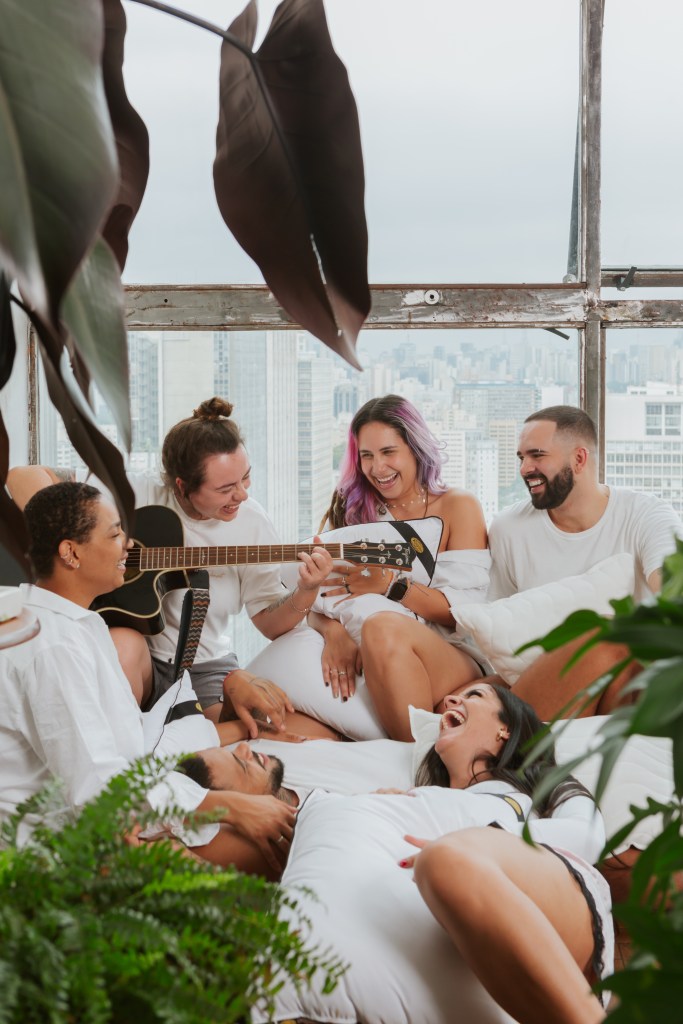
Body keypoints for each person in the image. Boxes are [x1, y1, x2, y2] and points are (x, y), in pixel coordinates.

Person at [0, 481, 295, 870]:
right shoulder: (52, 648)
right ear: (71, 553)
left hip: (107, 816)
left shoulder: (79, 626)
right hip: (44, 848)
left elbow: (122, 749)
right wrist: (232, 807)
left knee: (284, 814)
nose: (127, 544)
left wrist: (233, 746)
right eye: (115, 532)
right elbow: (97, 786)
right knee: (271, 842)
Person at [7, 397, 336, 738]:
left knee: (294, 734)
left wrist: (306, 591)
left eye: (245, 479)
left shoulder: (251, 522)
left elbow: (270, 624)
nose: (241, 495)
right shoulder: (135, 492)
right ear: (182, 486)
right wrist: (82, 539)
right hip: (139, 655)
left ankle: (170, 738)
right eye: (226, 488)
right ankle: (128, 755)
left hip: (204, 667)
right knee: (122, 648)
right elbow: (22, 477)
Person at [398, 685, 609, 1024]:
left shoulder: (540, 787)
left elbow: (586, 837)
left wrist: (483, 838)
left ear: (505, 729)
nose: (451, 701)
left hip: (555, 898)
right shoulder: (419, 800)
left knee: (446, 862)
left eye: (475, 695)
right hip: (459, 922)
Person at [312, 393, 491, 739]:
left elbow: (461, 613)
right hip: (377, 652)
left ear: (415, 449)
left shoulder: (458, 506)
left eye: (388, 452)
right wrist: (331, 632)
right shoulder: (354, 511)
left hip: (450, 654)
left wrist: (391, 585)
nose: (378, 468)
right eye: (367, 456)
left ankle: (418, 760)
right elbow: (318, 595)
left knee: (381, 627)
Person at [484, 405, 682, 719]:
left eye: (537, 455)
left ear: (579, 459)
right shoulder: (508, 528)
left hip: (623, 682)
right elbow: (496, 628)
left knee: (613, 636)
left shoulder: (646, 514)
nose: (524, 468)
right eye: (521, 457)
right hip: (542, 680)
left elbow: (672, 590)